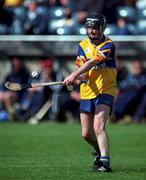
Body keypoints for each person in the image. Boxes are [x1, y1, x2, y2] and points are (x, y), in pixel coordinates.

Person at [63, 13, 117, 172]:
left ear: (102, 28)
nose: (92, 31)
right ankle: (100, 151)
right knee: (86, 134)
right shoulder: (82, 45)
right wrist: (78, 78)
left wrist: (73, 74)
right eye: (90, 28)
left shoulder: (109, 45)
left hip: (105, 90)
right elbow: (84, 71)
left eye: (95, 28)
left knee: (98, 126)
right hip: (87, 92)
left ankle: (105, 164)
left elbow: (93, 62)